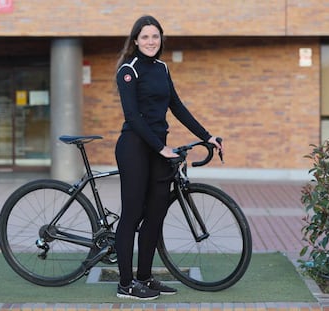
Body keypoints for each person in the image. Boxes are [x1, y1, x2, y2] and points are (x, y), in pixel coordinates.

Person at [114, 15, 223, 300]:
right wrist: (160, 148)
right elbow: (133, 117)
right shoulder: (128, 70)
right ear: (135, 40)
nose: (151, 41)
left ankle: (145, 277)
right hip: (135, 147)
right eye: (145, 36)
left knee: (155, 214)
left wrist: (206, 135)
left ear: (161, 40)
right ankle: (125, 284)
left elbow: (176, 106)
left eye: (155, 36)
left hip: (158, 149)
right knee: (132, 213)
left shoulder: (162, 68)